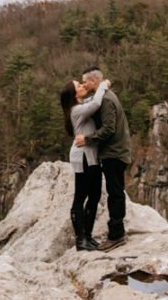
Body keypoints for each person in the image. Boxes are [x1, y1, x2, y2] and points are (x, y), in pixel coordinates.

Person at [75, 67, 131, 251]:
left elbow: (108, 129)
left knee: (115, 192)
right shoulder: (105, 96)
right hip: (115, 151)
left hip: (114, 153)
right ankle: (116, 232)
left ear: (94, 81)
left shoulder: (106, 100)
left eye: (85, 82)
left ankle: (116, 235)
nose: (83, 85)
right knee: (115, 191)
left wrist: (88, 139)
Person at [59, 75, 110, 251]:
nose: (82, 86)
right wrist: (102, 85)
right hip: (82, 157)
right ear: (74, 94)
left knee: (95, 195)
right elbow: (95, 104)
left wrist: (94, 88)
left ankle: (88, 236)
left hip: (91, 156)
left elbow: (91, 100)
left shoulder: (79, 106)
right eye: (79, 85)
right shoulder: (76, 110)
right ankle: (80, 240)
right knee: (80, 198)